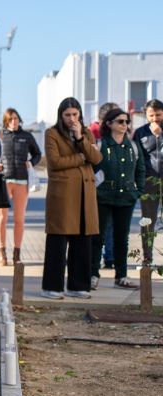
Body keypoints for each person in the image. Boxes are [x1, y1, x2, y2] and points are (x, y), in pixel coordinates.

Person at [42, 98, 101, 300]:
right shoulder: (51, 133)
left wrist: (80, 139)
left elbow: (97, 158)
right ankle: (52, 286)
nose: (71, 119)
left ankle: (78, 286)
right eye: (67, 115)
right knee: (58, 240)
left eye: (75, 114)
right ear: (61, 115)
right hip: (63, 194)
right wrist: (82, 158)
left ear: (80, 115)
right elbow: (55, 162)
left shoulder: (86, 133)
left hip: (86, 192)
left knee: (83, 240)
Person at [91, 107, 145, 290]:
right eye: (120, 121)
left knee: (122, 238)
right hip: (103, 197)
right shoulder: (100, 145)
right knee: (98, 237)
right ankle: (93, 274)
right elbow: (91, 170)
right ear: (109, 124)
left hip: (126, 199)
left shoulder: (133, 147)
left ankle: (121, 276)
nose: (124, 125)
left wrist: (138, 191)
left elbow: (141, 170)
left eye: (126, 122)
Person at [0, 108, 42, 266]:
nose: (14, 122)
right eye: (10, 119)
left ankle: (17, 254)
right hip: (4, 182)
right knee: (1, 219)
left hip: (22, 182)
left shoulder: (26, 136)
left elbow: (37, 154)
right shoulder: (0, 136)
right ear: (6, 121)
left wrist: (32, 162)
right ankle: (2, 253)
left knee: (19, 220)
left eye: (16, 118)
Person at [132, 99, 163, 262]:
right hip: (149, 182)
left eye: (158, 115)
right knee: (148, 220)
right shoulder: (140, 132)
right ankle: (147, 256)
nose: (155, 118)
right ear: (146, 115)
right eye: (151, 115)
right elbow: (138, 158)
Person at [91, 101, 121, 268]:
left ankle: (109, 256)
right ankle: (100, 256)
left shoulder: (122, 137)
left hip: (116, 186)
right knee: (102, 224)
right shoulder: (94, 133)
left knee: (111, 224)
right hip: (98, 187)